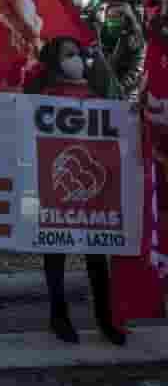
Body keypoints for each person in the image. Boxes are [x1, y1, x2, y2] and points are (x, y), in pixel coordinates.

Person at [24, 36, 125, 346]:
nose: (77, 59)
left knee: (97, 256)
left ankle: (106, 319)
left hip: (94, 189)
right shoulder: (42, 97)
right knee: (55, 256)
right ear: (55, 61)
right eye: (69, 54)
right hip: (54, 188)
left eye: (79, 54)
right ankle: (59, 316)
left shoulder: (97, 92)